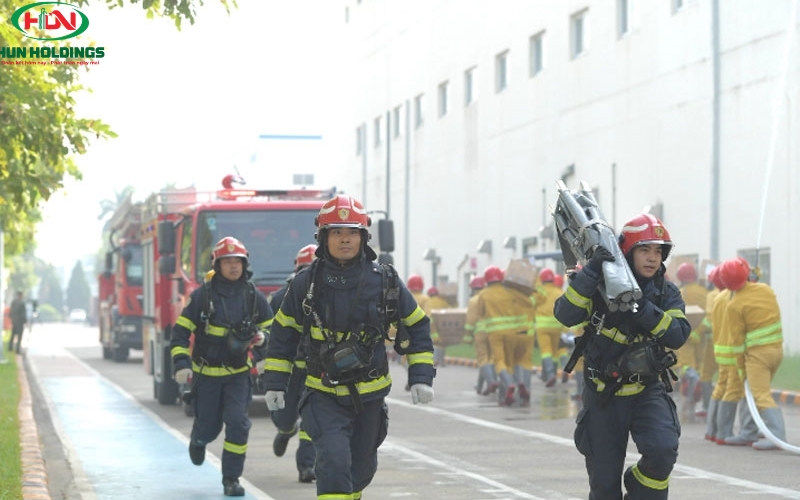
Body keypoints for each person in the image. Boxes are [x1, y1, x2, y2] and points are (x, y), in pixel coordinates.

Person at [262, 194, 435, 500]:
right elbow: (283, 334)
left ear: (363, 237)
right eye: (337, 232)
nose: (345, 240)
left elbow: (417, 325)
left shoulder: (385, 281)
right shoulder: (305, 284)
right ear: (324, 238)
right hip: (322, 394)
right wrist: (275, 383)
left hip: (370, 396)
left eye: (352, 232)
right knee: (333, 461)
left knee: (360, 471)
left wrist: (421, 375)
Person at [554, 213, 690, 500]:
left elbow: (677, 334)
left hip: (647, 391)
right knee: (604, 487)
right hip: (603, 395)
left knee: (663, 450)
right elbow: (565, 315)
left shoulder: (666, 291)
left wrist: (642, 307)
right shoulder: (598, 284)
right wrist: (590, 274)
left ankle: (637, 484)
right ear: (627, 251)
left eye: (658, 251)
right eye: (644, 249)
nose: (652, 258)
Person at [170, 236, 273, 497]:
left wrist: (262, 343)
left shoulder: (253, 296)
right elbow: (180, 333)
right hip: (206, 377)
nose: (233, 266)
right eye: (227, 261)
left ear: (244, 264)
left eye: (237, 261)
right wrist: (182, 364)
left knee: (238, 423)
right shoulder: (202, 297)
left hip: (238, 376)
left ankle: (231, 479)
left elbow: (272, 328)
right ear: (217, 264)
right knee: (209, 426)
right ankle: (199, 439)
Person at [718, 257, 785, 450]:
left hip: (757, 356)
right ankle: (748, 431)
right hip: (777, 351)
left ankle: (777, 437)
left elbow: (737, 342)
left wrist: (740, 368)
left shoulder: (734, 305)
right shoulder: (766, 290)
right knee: (754, 392)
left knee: (760, 394)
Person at [267, 244, 318, 483]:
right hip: (289, 373)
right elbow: (272, 337)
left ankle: (307, 467)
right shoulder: (280, 298)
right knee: (285, 418)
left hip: (316, 371)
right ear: (296, 270)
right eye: (304, 269)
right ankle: (285, 431)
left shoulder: (331, 297)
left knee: (313, 418)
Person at [476, 265, 535, 407]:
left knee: (500, 361)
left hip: (495, 333)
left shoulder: (483, 294)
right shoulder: (509, 291)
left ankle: (509, 385)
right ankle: (518, 383)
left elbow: (480, 313)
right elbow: (528, 302)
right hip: (512, 332)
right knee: (511, 361)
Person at [674, 262, 709, 422]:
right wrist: (699, 332)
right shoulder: (705, 292)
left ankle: (686, 410)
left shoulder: (680, 292)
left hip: (685, 339)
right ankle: (696, 406)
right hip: (701, 339)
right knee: (700, 370)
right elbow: (710, 316)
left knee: (687, 370)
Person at [532, 268, 567, 388]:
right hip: (557, 326)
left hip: (542, 326)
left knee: (546, 351)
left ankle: (550, 374)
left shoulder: (540, 292)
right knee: (555, 351)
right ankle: (555, 372)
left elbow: (532, 304)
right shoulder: (559, 292)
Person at [462, 276, 491, 394]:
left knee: (482, 359)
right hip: (493, 331)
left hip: (480, 332)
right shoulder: (489, 298)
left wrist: (467, 336)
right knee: (489, 358)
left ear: (473, 288)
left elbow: (470, 320)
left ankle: (491, 382)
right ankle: (480, 386)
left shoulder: (474, 300)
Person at [425, 286, 451, 367]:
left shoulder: (428, 302)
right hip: (442, 324)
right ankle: (442, 361)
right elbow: (448, 311)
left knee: (434, 342)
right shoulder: (443, 301)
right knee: (442, 343)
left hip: (432, 324)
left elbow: (426, 314)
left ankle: (435, 360)